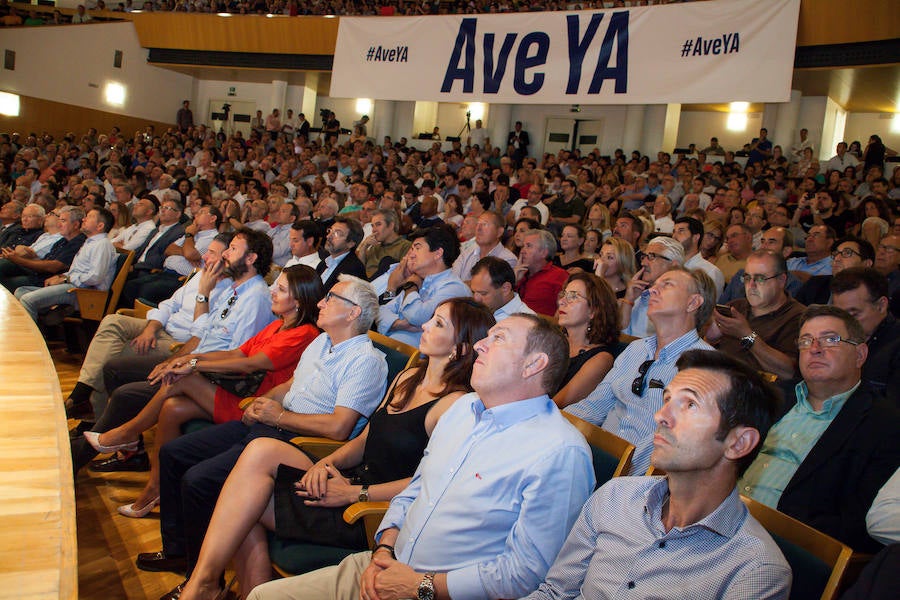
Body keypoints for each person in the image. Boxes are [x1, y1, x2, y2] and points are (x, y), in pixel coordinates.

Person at [247, 314, 594, 600]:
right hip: (385, 564)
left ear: (534, 364)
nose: (479, 345)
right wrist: (383, 551)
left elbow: (526, 574)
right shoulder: (462, 410)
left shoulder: (559, 452)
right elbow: (414, 490)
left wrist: (420, 586)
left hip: (439, 593)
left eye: (499, 338)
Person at [178, 298, 495, 599]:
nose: (424, 326)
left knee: (243, 502)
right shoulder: (410, 376)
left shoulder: (455, 405)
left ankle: (208, 588)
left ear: (461, 348)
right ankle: (210, 585)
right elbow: (363, 440)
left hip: (373, 513)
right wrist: (324, 464)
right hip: (351, 480)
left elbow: (429, 484)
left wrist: (354, 494)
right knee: (260, 453)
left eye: (438, 323)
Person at [141, 276, 389, 589]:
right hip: (273, 425)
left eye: (331, 298)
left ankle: (204, 582)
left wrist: (280, 416)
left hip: (301, 444)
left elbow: (339, 427)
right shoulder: (321, 342)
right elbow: (290, 386)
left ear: (354, 314)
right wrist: (263, 402)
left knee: (199, 480)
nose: (321, 303)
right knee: (174, 453)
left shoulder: (365, 360)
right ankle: (177, 551)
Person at [527, 350, 791, 600]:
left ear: (739, 443)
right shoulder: (616, 495)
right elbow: (555, 593)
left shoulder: (755, 570)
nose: (660, 416)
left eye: (689, 404)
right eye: (667, 400)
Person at [85, 265, 324, 518]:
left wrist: (193, 364)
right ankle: (155, 488)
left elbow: (252, 363)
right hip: (238, 393)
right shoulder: (277, 326)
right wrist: (193, 357)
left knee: (181, 381)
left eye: (281, 288)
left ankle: (127, 434)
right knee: (172, 408)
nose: (272, 291)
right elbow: (237, 352)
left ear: (298, 300)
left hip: (251, 405)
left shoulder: (304, 333)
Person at [739, 305, 900, 553]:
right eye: (805, 341)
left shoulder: (885, 424)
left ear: (860, 354)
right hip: (721, 518)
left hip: (782, 547)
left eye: (830, 339)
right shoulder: (773, 397)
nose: (814, 348)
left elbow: (857, 525)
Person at [65, 233, 234, 422]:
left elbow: (201, 336)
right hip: (161, 328)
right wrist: (150, 329)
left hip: (178, 342)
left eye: (211, 253)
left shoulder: (230, 291)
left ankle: (92, 416)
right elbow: (169, 305)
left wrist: (204, 292)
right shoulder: (200, 274)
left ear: (227, 258)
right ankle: (83, 392)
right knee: (112, 321)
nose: (204, 257)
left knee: (111, 353)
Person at [567, 267, 717, 475]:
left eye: (667, 285)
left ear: (693, 303)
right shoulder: (636, 349)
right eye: (654, 285)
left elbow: (673, 440)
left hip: (636, 479)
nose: (652, 290)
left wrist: (618, 472)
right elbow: (594, 406)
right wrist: (550, 427)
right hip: (594, 460)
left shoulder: (705, 365)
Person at [709, 251, 805, 381]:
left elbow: (788, 372)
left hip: (759, 392)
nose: (751, 285)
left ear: (782, 280)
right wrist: (710, 338)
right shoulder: (735, 307)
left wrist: (747, 335)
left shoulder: (798, 317)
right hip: (716, 380)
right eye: (747, 278)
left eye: (760, 278)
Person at [15, 208, 117, 322]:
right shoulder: (90, 242)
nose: (84, 219)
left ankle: (33, 337)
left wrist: (66, 279)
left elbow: (95, 277)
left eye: (89, 217)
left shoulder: (102, 245)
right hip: (73, 286)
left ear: (100, 226)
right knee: (21, 291)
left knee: (27, 300)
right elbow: (77, 270)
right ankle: (52, 311)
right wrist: (61, 277)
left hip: (83, 293)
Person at [378, 225, 469, 346]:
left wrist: (411, 286)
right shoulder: (420, 280)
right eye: (411, 249)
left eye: (417, 248)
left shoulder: (453, 287)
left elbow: (417, 316)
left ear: (438, 253)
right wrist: (398, 324)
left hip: (414, 358)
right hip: (389, 347)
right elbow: (380, 312)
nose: (411, 255)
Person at [554, 273, 621, 409]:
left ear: (594, 310)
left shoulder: (601, 359)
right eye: (564, 294)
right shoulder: (553, 340)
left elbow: (556, 406)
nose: (561, 301)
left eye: (573, 296)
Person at [831, 267, 900, 397]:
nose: (845, 323)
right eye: (839, 314)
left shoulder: (895, 345)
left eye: (854, 314)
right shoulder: (831, 337)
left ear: (881, 305)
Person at [620, 235, 685, 338]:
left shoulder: (679, 305)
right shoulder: (638, 296)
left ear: (674, 265)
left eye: (652, 257)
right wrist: (628, 300)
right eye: (644, 257)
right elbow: (620, 336)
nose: (643, 263)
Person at [515, 228, 569, 316]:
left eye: (528, 246)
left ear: (544, 253)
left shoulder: (559, 276)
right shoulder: (519, 273)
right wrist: (514, 281)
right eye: (523, 246)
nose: (522, 251)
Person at [451, 211, 516, 282]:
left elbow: (487, 288)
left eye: (485, 224)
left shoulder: (508, 259)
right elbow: (452, 282)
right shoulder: (466, 253)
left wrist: (461, 286)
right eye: (477, 224)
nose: (478, 228)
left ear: (499, 232)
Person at [468, 256, 534, 321]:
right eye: (473, 292)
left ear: (505, 289)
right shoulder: (476, 310)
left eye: (483, 293)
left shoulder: (526, 321)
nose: (476, 299)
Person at [673, 216, 726, 296]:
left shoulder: (710, 272)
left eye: (681, 231)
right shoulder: (669, 264)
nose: (674, 236)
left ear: (695, 237)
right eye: (674, 232)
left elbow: (708, 305)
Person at [355, 208, 411, 279]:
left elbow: (402, 276)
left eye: (378, 224)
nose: (374, 230)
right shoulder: (374, 247)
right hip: (363, 284)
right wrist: (364, 247)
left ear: (391, 225)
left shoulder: (405, 246)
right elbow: (359, 271)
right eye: (373, 226)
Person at [318, 217, 366, 292]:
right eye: (330, 231)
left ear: (350, 243)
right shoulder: (323, 264)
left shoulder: (353, 269)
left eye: (337, 233)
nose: (328, 236)